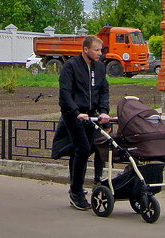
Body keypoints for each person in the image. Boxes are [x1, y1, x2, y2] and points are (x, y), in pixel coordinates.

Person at [51, 35, 111, 210]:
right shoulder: (71, 66)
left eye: (101, 50)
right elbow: (65, 93)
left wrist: (104, 111)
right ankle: (76, 192)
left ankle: (76, 186)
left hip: (91, 115)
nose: (100, 53)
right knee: (82, 148)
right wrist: (76, 112)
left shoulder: (99, 68)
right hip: (73, 115)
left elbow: (103, 90)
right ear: (86, 50)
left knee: (87, 148)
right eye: (97, 50)